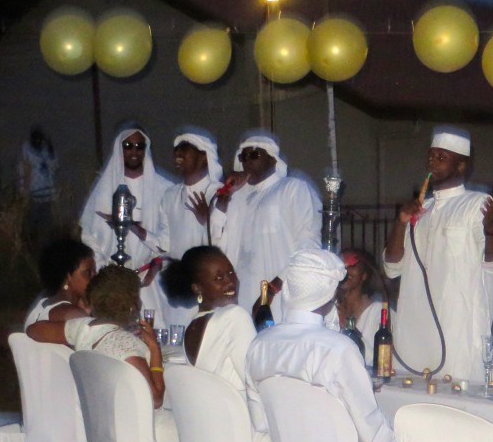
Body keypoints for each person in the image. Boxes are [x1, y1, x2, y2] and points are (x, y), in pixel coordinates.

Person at [245, 249, 407, 442]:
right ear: (331, 292)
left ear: (287, 290)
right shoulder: (337, 349)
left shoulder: (259, 345)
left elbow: (261, 423)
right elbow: (372, 433)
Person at [382, 126, 493, 382]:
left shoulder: (477, 205)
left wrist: (490, 231)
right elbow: (392, 267)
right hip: (414, 327)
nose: (432, 162)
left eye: (441, 158)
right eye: (430, 155)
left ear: (461, 166)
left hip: (456, 329)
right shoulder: (421, 209)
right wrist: (401, 221)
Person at [26, 265, 178, 442]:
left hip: (102, 429)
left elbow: (33, 330)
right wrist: (154, 350)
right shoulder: (126, 346)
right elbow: (155, 399)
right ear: (132, 303)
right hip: (141, 430)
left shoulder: (81, 328)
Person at [161, 245, 278, 442]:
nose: (230, 282)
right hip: (242, 440)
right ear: (198, 288)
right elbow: (256, 380)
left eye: (231, 273)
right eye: (219, 278)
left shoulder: (193, 325)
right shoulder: (235, 317)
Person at [209, 129, 321, 318]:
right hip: (240, 293)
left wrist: (276, 285)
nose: (247, 160)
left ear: (273, 159)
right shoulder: (235, 197)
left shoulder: (293, 188)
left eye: (254, 154)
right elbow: (218, 244)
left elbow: (308, 243)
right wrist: (223, 202)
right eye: (243, 156)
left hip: (278, 291)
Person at [79, 126, 173, 326]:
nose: (134, 151)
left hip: (147, 281)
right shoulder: (104, 187)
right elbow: (89, 236)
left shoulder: (164, 188)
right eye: (128, 146)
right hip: (111, 281)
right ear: (119, 149)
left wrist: (158, 264)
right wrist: (107, 271)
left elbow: (170, 239)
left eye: (139, 146)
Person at [156, 128, 224, 328]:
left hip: (207, 283)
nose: (178, 154)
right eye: (176, 149)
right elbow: (164, 243)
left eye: (185, 149)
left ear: (204, 157)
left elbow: (225, 241)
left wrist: (207, 219)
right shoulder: (170, 195)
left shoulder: (218, 192)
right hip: (178, 286)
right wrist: (138, 231)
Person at [23, 238, 95, 328]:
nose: (94, 277)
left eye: (94, 272)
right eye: (87, 273)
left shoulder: (43, 304)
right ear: (67, 276)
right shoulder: (71, 314)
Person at [332, 247, 383, 366]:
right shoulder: (329, 309)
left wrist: (347, 325)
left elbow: (375, 358)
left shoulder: (379, 312)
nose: (345, 271)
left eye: (352, 266)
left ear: (364, 275)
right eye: (341, 266)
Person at [17, 126, 59, 248]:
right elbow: (22, 172)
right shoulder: (26, 152)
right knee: (31, 223)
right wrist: (23, 191)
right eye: (36, 140)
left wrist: (51, 151)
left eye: (40, 140)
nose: (38, 143)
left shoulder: (46, 151)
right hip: (33, 194)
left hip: (47, 194)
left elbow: (54, 166)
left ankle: (43, 248)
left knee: (46, 225)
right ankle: (28, 247)